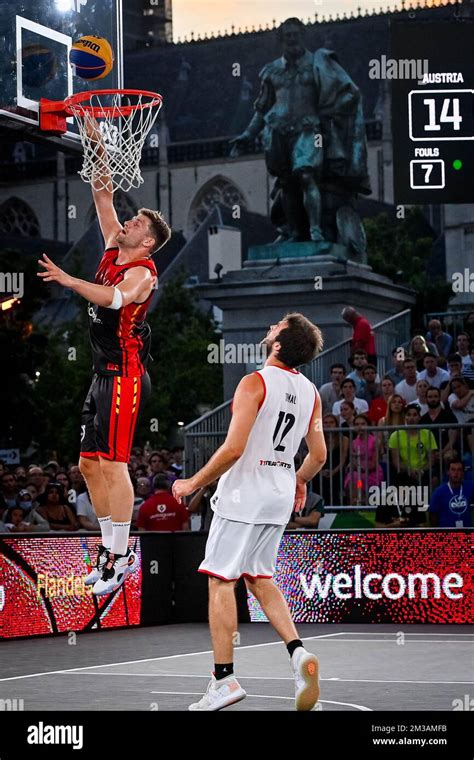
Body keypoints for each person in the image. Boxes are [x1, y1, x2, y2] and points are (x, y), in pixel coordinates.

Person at [38, 118, 172, 595]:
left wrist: (72, 281)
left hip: (125, 375)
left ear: (148, 242)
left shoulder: (144, 274)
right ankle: (107, 550)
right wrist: (92, 137)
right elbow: (102, 191)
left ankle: (121, 557)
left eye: (137, 223)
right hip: (101, 373)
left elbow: (113, 301)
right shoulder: (117, 245)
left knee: (114, 465)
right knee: (89, 464)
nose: (128, 221)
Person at [172, 313, 326, 712]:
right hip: (277, 497)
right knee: (259, 578)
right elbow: (319, 455)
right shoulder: (311, 392)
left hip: (244, 496)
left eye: (276, 325)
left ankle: (223, 679)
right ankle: (297, 653)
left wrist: (193, 483)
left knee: (221, 582)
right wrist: (300, 480)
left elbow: (234, 448)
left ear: (278, 344)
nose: (271, 325)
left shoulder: (253, 383)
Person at [388, 404, 437, 523]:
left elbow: (432, 459)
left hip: (424, 470)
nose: (411, 418)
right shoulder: (396, 435)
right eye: (408, 415)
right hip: (404, 471)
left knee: (434, 478)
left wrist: (421, 470)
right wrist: (409, 470)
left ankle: (431, 510)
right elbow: (395, 461)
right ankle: (402, 514)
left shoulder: (427, 433)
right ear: (404, 417)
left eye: (415, 415)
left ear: (419, 417)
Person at [344, 414, 383, 505]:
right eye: (357, 424)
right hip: (357, 473)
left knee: (357, 479)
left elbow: (374, 463)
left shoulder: (375, 441)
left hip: (373, 473)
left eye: (362, 423)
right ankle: (355, 505)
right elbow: (352, 461)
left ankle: (362, 505)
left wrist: (361, 467)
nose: (360, 426)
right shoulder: (353, 442)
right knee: (353, 478)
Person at [315, 414, 348, 506]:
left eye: (331, 422)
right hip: (321, 469)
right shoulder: (318, 439)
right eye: (325, 423)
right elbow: (314, 458)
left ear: (336, 424)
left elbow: (343, 460)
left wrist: (333, 472)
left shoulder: (344, 439)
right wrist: (320, 471)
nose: (328, 425)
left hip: (337, 469)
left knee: (336, 480)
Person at [429, 460, 473, 528]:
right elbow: (433, 515)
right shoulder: (439, 492)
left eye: (459, 470)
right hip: (446, 534)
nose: (456, 473)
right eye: (453, 470)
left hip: (467, 534)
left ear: (463, 472)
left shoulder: (470, 487)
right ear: (448, 472)